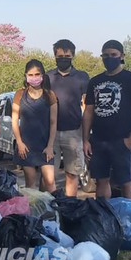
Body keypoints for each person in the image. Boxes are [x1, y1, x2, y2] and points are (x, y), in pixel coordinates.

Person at [82, 40, 131, 200]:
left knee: (125, 182)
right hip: (99, 140)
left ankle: (130, 219)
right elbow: (88, 112)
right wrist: (85, 140)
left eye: (113, 55)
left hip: (122, 140)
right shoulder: (95, 82)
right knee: (101, 181)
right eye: (105, 55)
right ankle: (104, 216)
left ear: (122, 56)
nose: (109, 58)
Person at [46, 39, 90, 197]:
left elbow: (87, 107)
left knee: (72, 174)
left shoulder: (82, 77)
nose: (63, 58)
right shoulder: (48, 77)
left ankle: (70, 206)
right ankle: (49, 207)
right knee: (48, 176)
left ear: (73, 55)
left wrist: (85, 138)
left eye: (67, 55)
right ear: (55, 56)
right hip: (51, 133)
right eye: (60, 55)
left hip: (73, 133)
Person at [12, 59, 58, 192]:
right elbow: (15, 120)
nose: (34, 78)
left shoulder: (50, 95)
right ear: (26, 76)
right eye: (30, 75)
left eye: (37, 74)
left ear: (42, 75)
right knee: (30, 185)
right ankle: (32, 212)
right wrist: (19, 143)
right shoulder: (20, 94)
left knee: (50, 182)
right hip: (26, 146)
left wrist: (50, 146)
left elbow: (53, 122)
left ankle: (52, 211)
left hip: (44, 145)